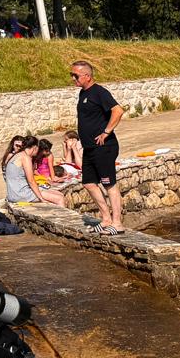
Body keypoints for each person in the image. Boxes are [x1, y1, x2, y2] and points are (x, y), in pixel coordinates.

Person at [70, 60, 125, 232]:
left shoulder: (99, 92)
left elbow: (118, 110)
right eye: (71, 75)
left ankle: (117, 223)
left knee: (109, 184)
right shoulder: (83, 93)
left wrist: (106, 132)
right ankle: (106, 218)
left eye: (76, 75)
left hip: (104, 147)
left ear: (87, 76)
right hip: (89, 148)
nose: (73, 78)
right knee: (88, 183)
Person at [3, 137, 65, 207]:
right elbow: (31, 181)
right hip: (20, 194)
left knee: (60, 194)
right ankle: (61, 217)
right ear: (35, 147)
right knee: (59, 198)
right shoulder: (25, 158)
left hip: (14, 192)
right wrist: (41, 198)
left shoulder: (18, 154)